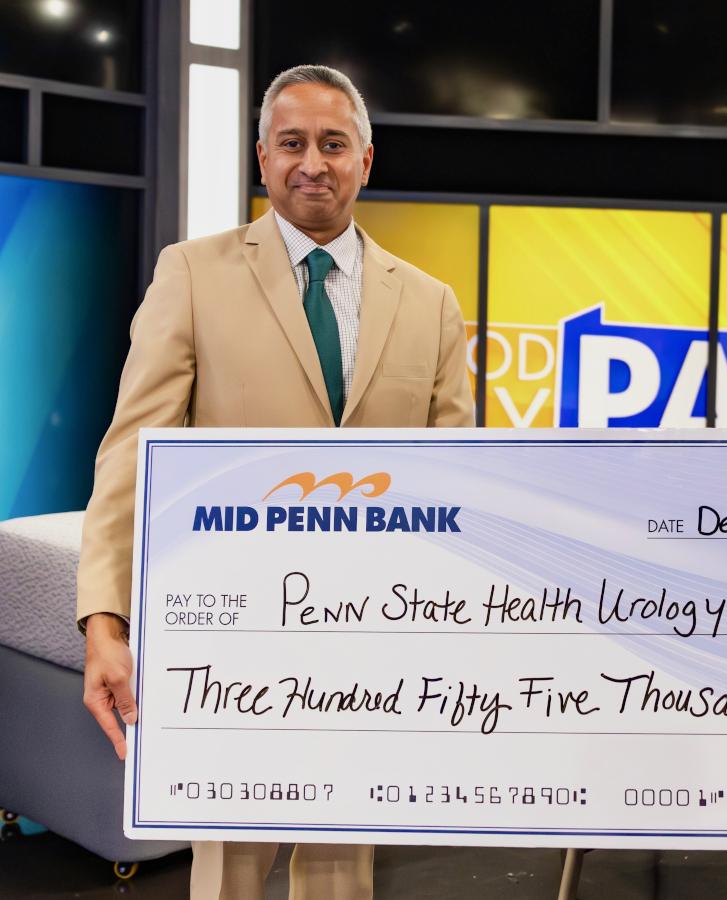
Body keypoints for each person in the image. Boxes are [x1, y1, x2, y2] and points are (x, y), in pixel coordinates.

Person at [76, 64, 474, 899]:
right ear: (262, 158)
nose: (313, 162)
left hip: (375, 638)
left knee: (344, 870)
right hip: (227, 642)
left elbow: (455, 484)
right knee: (228, 870)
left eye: (334, 143)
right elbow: (129, 457)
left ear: (368, 159)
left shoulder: (432, 303)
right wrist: (103, 623)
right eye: (292, 143)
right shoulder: (190, 274)